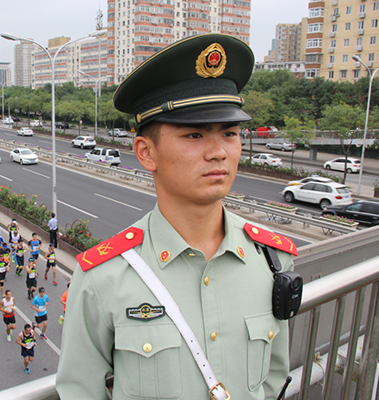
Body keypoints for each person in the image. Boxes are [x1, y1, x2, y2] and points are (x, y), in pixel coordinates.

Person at [56, 34, 298, 400]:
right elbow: (81, 392)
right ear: (146, 152)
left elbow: (275, 376)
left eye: (229, 133)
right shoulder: (103, 278)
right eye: (195, 134)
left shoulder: (272, 258)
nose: (218, 152)